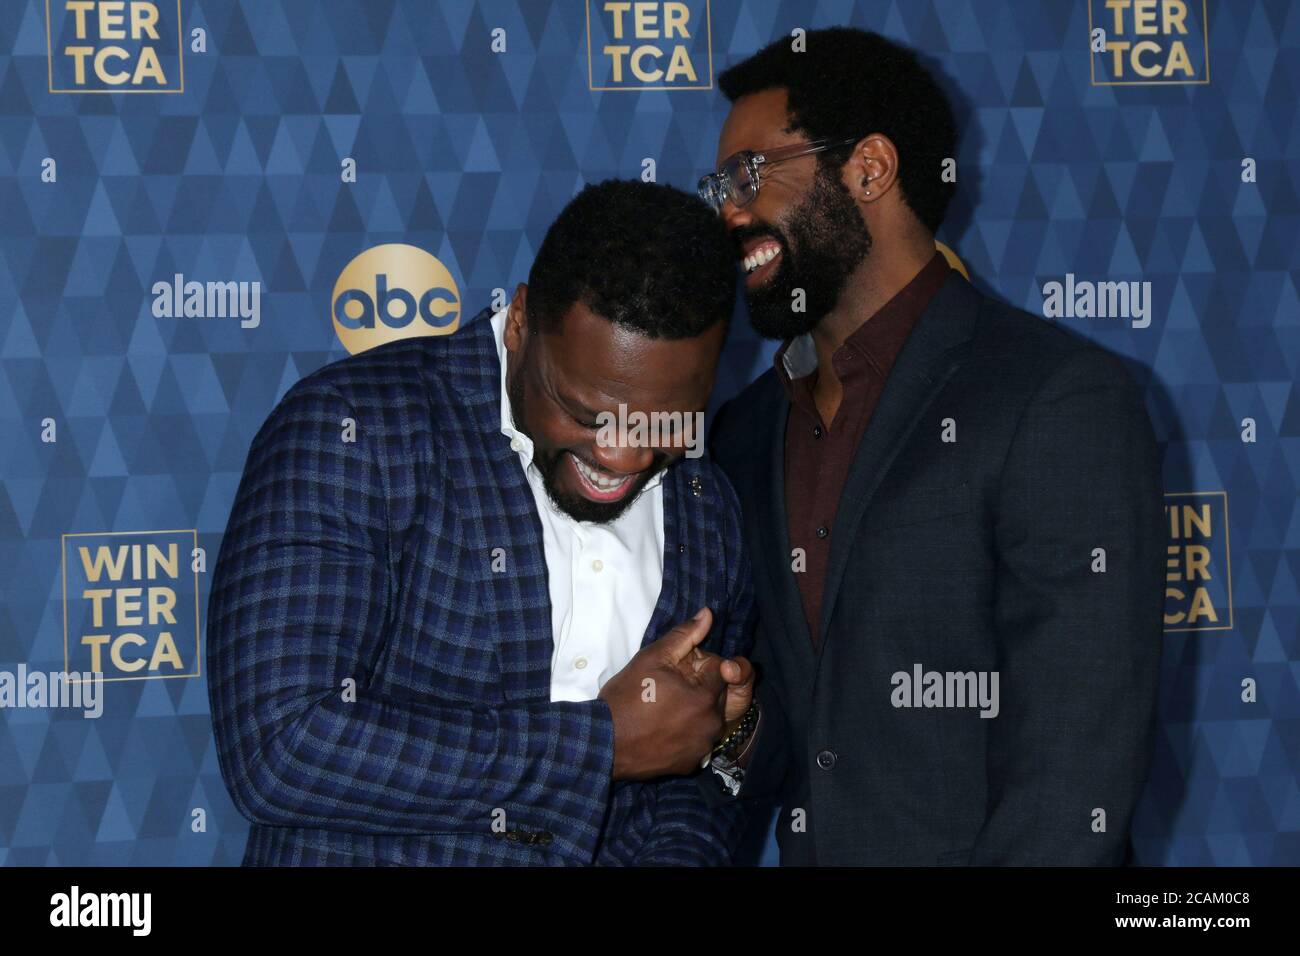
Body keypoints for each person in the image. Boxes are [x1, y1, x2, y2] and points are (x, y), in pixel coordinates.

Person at [699, 27, 1164, 865]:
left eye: (749, 175)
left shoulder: (1055, 395)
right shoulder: (746, 430)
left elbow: (1076, 768)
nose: (730, 209)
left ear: (869, 168)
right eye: (719, 184)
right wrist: (729, 729)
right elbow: (795, 742)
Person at [207, 179, 754, 866]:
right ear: (521, 321)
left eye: (665, 420)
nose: (624, 455)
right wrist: (602, 743)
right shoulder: (359, 431)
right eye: (586, 414)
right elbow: (282, 748)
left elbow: (691, 775)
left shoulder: (708, 509)